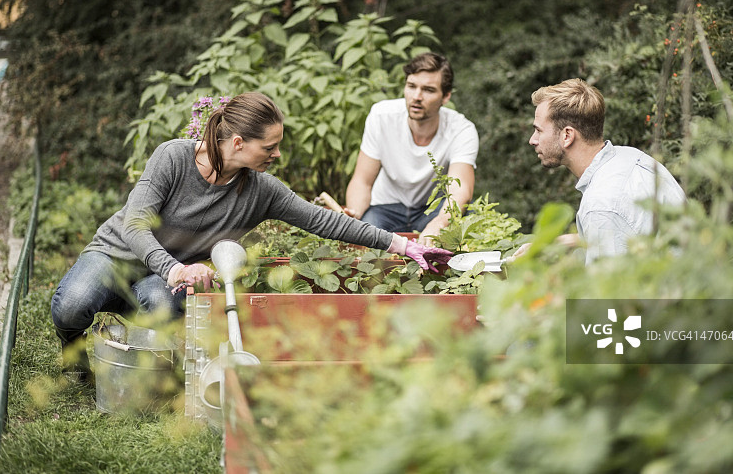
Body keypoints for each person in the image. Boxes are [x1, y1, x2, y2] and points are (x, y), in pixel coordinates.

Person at [51, 91, 452, 381]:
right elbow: (136, 224)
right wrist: (174, 269)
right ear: (239, 143)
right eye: (270, 147)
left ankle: (140, 354)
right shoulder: (173, 157)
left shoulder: (261, 190)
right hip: (119, 255)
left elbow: (326, 221)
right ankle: (76, 353)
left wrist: (403, 244)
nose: (277, 156)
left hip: (166, 276)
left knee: (163, 309)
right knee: (71, 306)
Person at [513, 78, 686, 264]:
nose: (532, 140)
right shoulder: (629, 157)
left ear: (567, 136)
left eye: (539, 130)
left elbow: (607, 289)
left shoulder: (602, 205)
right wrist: (555, 243)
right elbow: (627, 231)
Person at [344, 52, 479, 245]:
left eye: (428, 90)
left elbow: (460, 191)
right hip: (385, 208)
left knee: (467, 218)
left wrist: (439, 223)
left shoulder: (462, 129)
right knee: (366, 247)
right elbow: (362, 181)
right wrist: (354, 215)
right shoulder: (382, 115)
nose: (416, 96)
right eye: (411, 86)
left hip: (430, 210)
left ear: (446, 96)